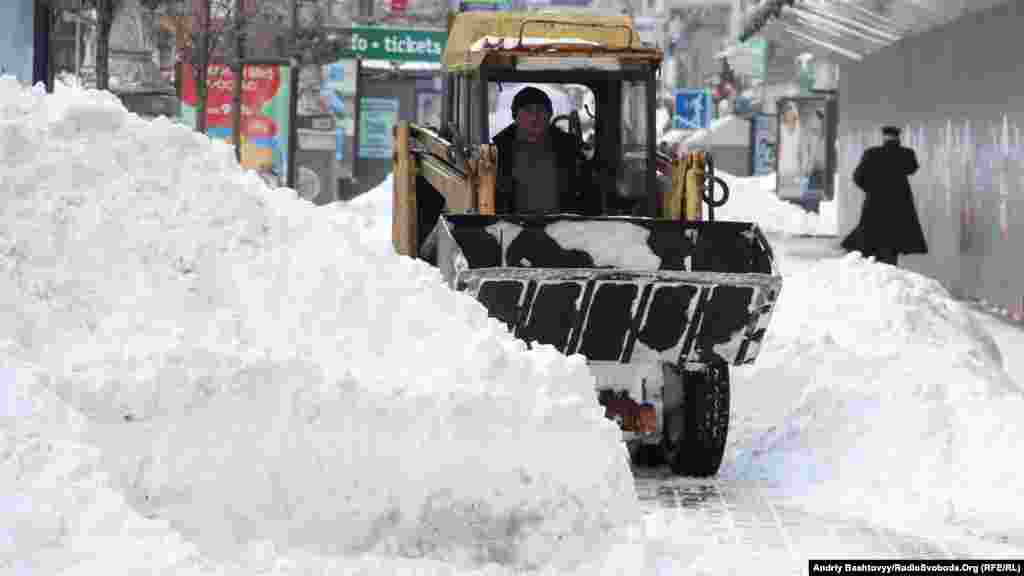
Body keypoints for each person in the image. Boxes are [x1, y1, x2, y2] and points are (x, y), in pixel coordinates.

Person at [840, 125, 928, 266]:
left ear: (884, 137)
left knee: (871, 235)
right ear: (898, 138)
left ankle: (872, 268)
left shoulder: (872, 153)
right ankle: (888, 269)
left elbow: (858, 176)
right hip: (899, 203)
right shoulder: (906, 154)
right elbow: (912, 168)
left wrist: (871, 189)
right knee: (893, 240)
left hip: (875, 202)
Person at [492, 86, 580, 214]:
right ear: (515, 115)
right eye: (528, 111)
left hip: (562, 227)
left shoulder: (569, 149)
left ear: (549, 115)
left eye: (540, 110)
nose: (534, 117)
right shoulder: (498, 151)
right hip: (511, 227)